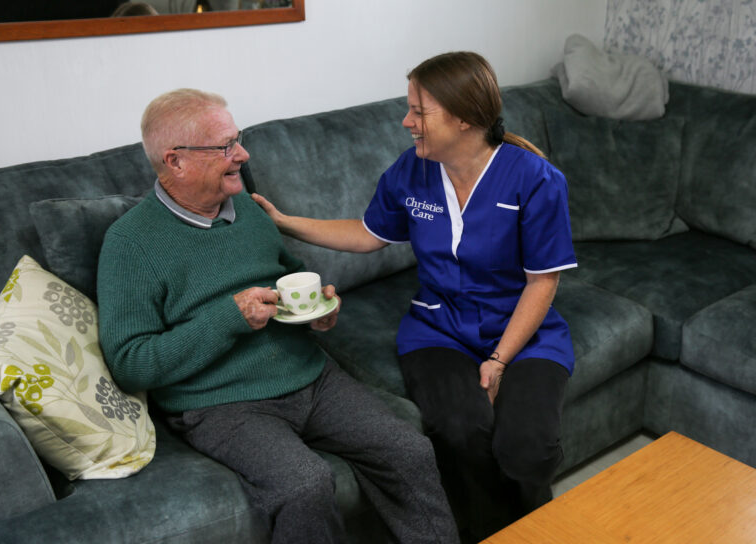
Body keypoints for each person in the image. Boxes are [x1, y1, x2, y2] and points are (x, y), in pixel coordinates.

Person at [97, 89, 459, 544]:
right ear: (175, 161)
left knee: (409, 450)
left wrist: (316, 311)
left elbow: (288, 276)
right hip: (221, 403)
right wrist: (228, 317)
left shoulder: (247, 208)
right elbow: (131, 364)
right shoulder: (130, 244)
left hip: (311, 376)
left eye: (238, 139)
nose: (242, 155)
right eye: (225, 146)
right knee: (304, 485)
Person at [252, 51, 578, 539]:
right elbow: (367, 233)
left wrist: (500, 359)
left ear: (464, 117)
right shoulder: (413, 171)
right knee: (460, 430)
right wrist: (285, 222)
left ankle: (532, 527)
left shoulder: (535, 180)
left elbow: (543, 282)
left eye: (419, 112)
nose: (407, 122)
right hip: (438, 330)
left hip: (524, 333)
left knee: (526, 447)